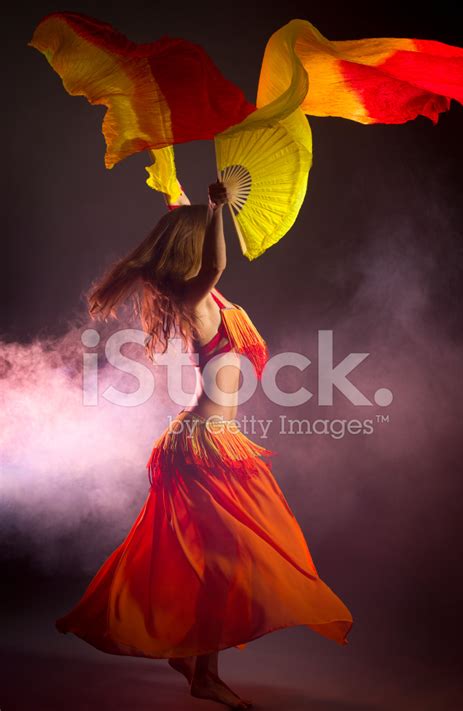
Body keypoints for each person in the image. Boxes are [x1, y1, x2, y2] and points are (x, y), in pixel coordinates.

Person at [55, 182, 353, 709]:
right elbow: (214, 264)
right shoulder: (197, 294)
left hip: (218, 444)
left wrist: (192, 200)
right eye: (211, 235)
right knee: (226, 561)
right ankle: (204, 673)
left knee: (220, 559)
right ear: (199, 247)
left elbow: (189, 228)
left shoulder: (210, 299)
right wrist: (213, 210)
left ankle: (194, 657)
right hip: (202, 448)